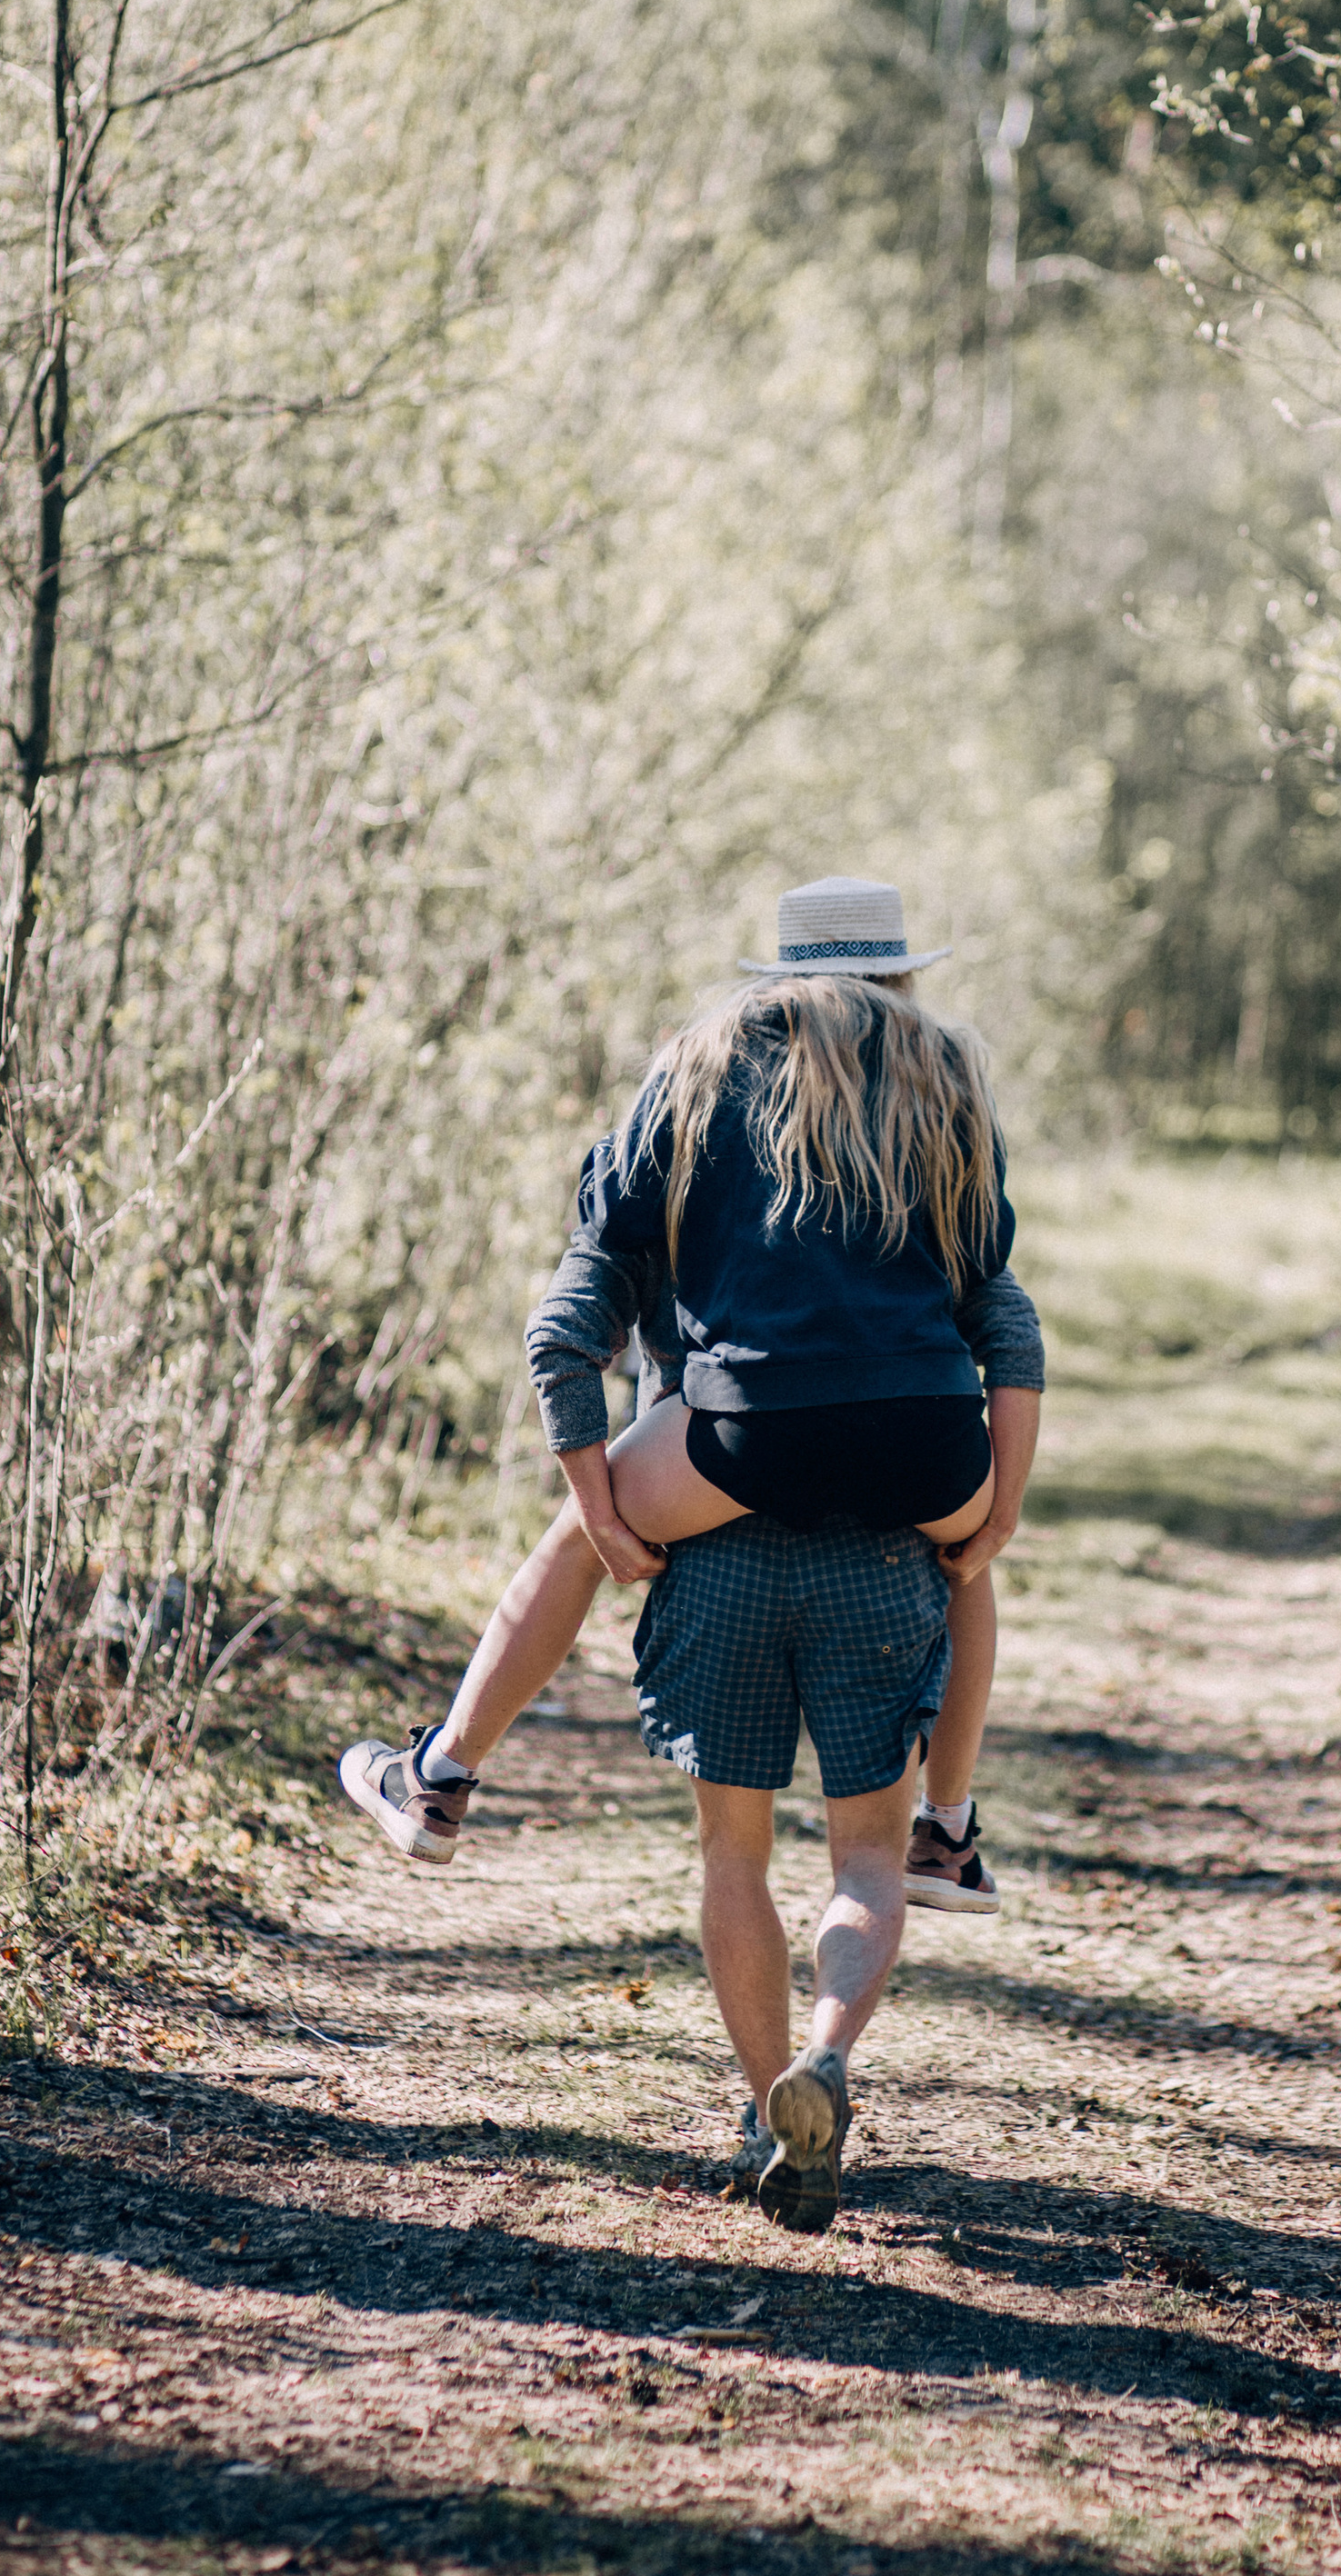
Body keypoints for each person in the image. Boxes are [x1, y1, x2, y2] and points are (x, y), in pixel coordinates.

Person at [340, 874, 1044, 2222]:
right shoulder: (947, 1079)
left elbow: (570, 1319)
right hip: (927, 1445)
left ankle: (439, 1776)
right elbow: (999, 1309)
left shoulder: (701, 1070)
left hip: (747, 1440)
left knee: (578, 1554)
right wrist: (995, 1496)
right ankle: (944, 1834)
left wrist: (598, 1489)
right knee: (969, 1578)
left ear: (775, 976)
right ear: (898, 975)